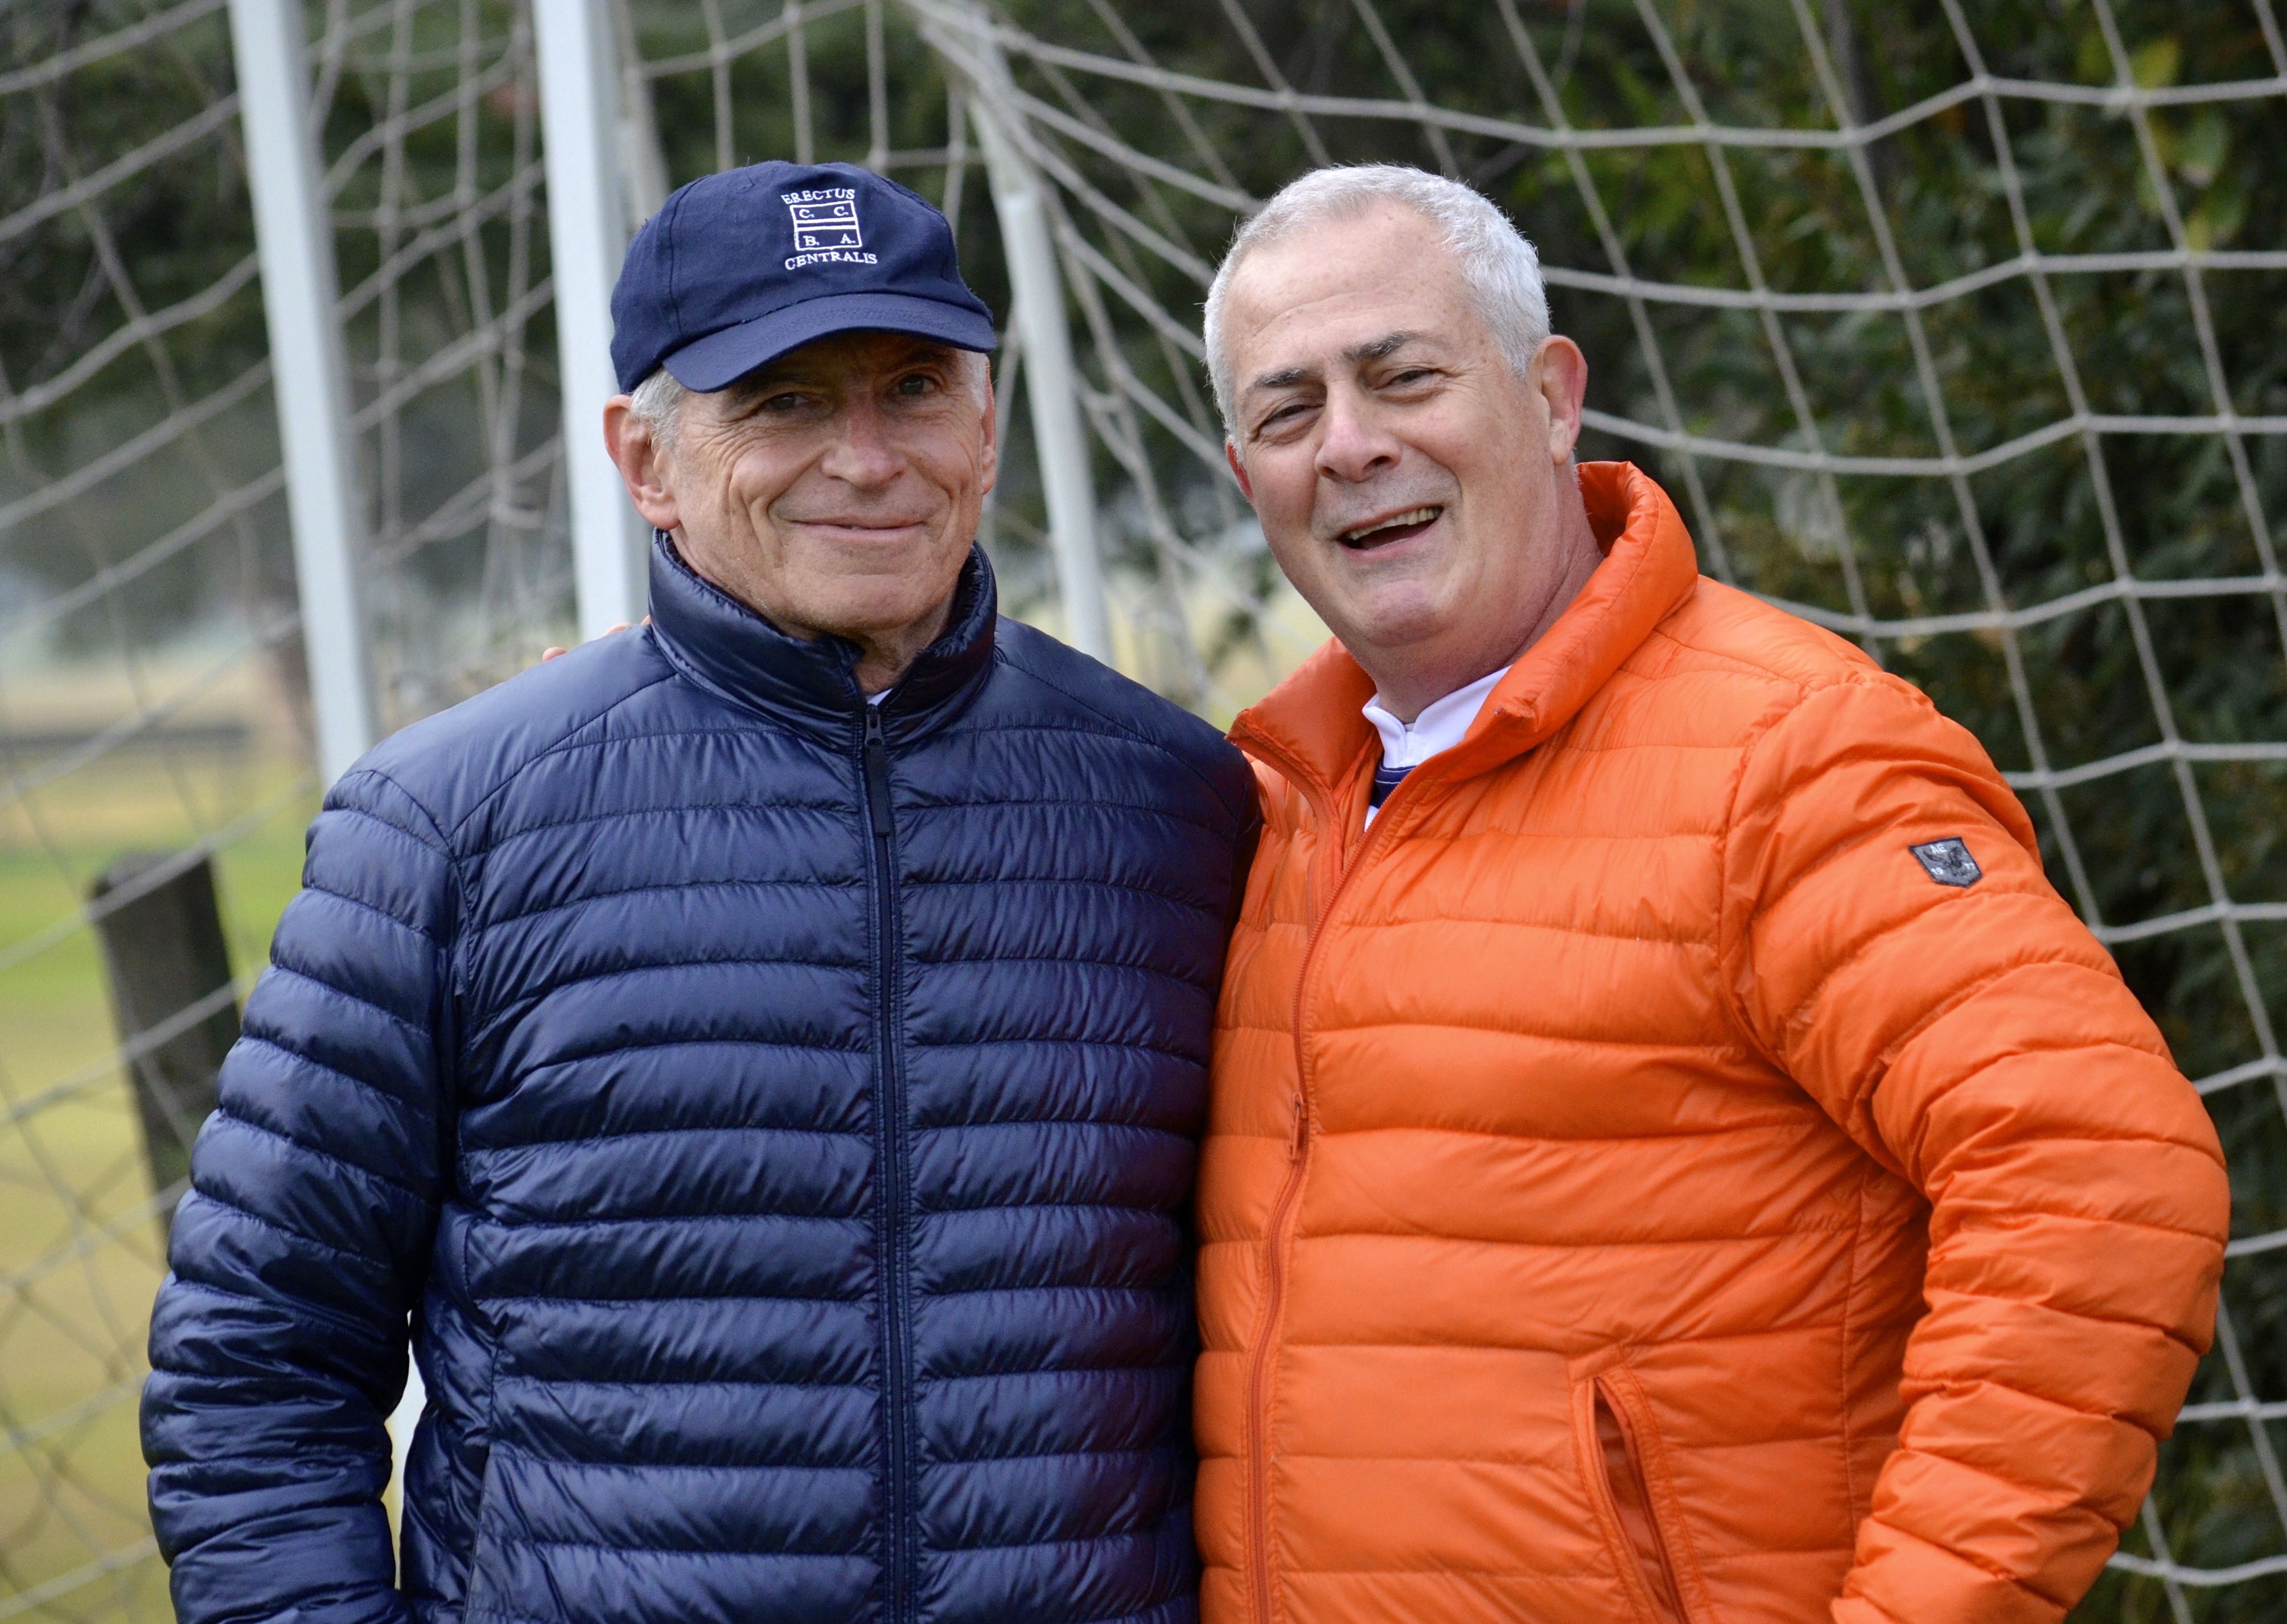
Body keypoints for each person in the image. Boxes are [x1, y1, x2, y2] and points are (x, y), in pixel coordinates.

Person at [142, 161, 1257, 1624]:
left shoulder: (1179, 804)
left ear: (986, 428)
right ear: (645, 460)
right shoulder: (445, 826)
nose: (867, 457)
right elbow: (254, 1360)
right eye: (785, 402)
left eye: (914, 388)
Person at [1191, 163, 2230, 1624]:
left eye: (1403, 376)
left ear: (1551, 396)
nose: (1350, 444)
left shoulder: (1784, 757)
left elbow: (2101, 1177)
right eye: (1288, 410)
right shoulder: (1258, 812)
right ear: (1246, 480)